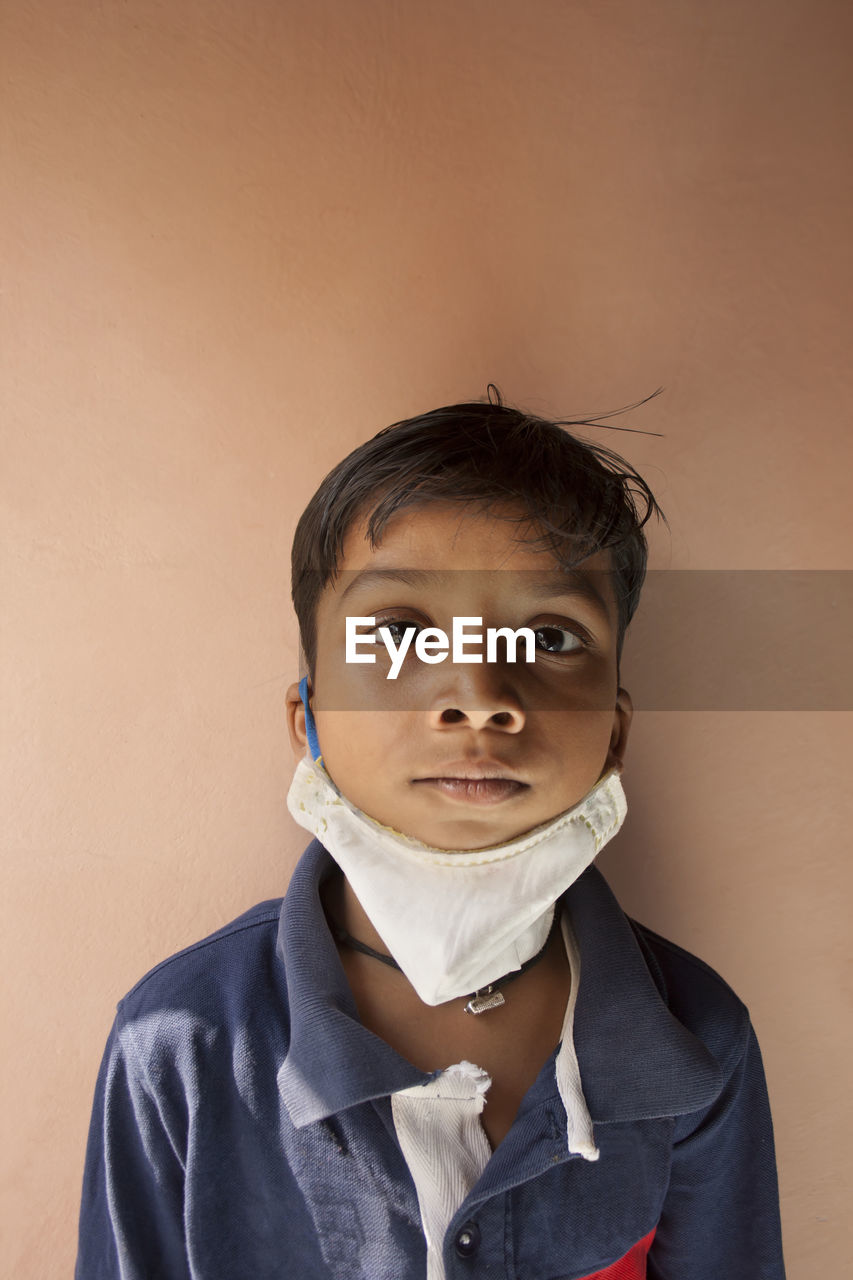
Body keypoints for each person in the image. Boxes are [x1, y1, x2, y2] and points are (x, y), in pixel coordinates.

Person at [75, 395, 786, 1279]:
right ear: (307, 718)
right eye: (401, 633)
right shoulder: (176, 1044)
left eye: (551, 634)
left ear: (614, 728)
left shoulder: (699, 1037)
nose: (480, 692)